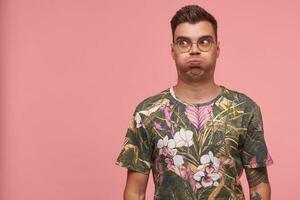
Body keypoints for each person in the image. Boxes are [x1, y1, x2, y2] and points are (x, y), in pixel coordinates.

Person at [116, 4, 273, 200]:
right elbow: (135, 192)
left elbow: (259, 187)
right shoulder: (148, 113)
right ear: (173, 51)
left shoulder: (244, 109)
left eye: (204, 42)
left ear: (217, 49)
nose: (194, 50)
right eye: (184, 42)